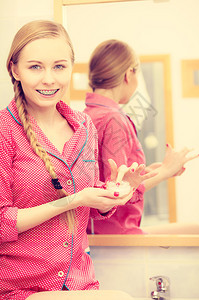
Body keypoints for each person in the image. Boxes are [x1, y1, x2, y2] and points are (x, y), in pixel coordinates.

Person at [0, 21, 156, 300]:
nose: (49, 79)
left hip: (81, 283)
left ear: (72, 68)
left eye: (59, 67)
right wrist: (74, 200)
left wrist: (114, 192)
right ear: (15, 69)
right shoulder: (4, 131)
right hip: (20, 289)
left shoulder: (84, 127)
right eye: (35, 67)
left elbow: (90, 208)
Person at [84, 39, 199, 235]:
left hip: (97, 234)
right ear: (129, 74)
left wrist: (153, 172)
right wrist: (165, 171)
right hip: (117, 236)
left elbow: (107, 177)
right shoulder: (114, 119)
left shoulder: (87, 115)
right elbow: (117, 190)